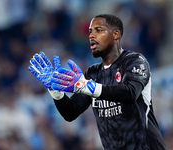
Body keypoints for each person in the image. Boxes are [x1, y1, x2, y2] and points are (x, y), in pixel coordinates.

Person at [28, 14, 167, 150]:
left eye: (98, 30)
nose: (91, 36)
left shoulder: (134, 61)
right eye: (90, 32)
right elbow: (70, 113)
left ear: (116, 35)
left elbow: (131, 93)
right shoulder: (92, 74)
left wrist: (88, 87)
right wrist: (55, 91)